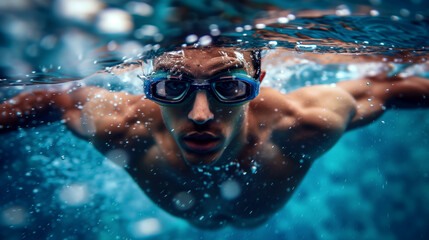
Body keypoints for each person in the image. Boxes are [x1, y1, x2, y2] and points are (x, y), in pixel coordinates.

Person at [0, 47, 428, 229]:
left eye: (230, 87)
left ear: (257, 81)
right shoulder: (124, 127)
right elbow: (58, 99)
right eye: (172, 88)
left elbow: (380, 90)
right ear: (146, 83)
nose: (201, 115)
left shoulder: (302, 124)